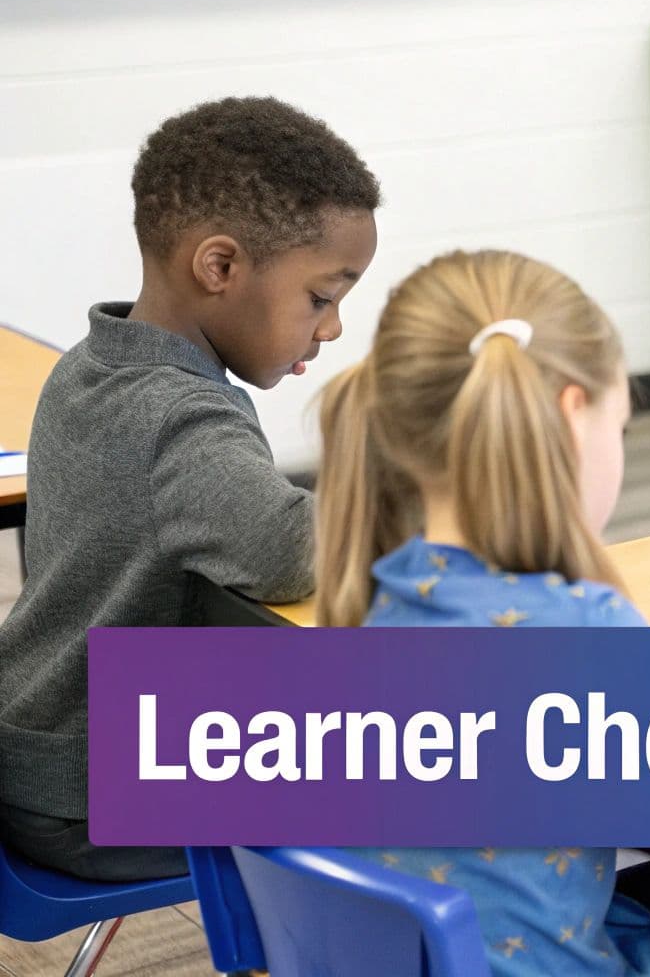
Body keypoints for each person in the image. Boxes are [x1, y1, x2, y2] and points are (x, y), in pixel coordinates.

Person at [317, 249, 650, 977]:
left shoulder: (369, 601)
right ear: (570, 418)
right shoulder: (589, 632)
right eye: (619, 425)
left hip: (416, 958)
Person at [0, 96, 380, 880]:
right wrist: (439, 493)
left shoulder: (89, 364)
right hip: (98, 794)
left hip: (41, 742)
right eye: (321, 297)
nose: (334, 327)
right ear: (219, 267)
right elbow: (284, 550)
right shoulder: (181, 416)